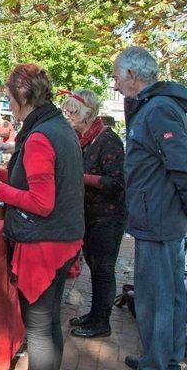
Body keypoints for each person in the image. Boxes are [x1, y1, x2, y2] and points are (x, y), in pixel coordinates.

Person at [0, 64, 85, 370]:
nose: (9, 105)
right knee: (49, 323)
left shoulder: (41, 135)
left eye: (9, 97)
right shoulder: (56, 126)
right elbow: (33, 176)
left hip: (45, 243)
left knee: (40, 330)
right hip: (61, 238)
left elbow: (41, 202)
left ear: (23, 96)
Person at [113, 47, 187, 370]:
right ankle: (165, 357)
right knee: (168, 294)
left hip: (158, 220)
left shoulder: (158, 109)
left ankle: (157, 363)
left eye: (117, 76)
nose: (115, 85)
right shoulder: (153, 106)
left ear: (132, 75)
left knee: (157, 297)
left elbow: (181, 163)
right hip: (159, 217)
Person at [61, 89, 126, 338]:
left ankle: (102, 322)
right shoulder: (83, 139)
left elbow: (116, 182)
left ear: (87, 113)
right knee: (95, 266)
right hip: (90, 214)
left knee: (103, 270)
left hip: (107, 217)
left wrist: (80, 178)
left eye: (72, 111)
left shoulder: (107, 139)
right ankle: (95, 315)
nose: (68, 116)